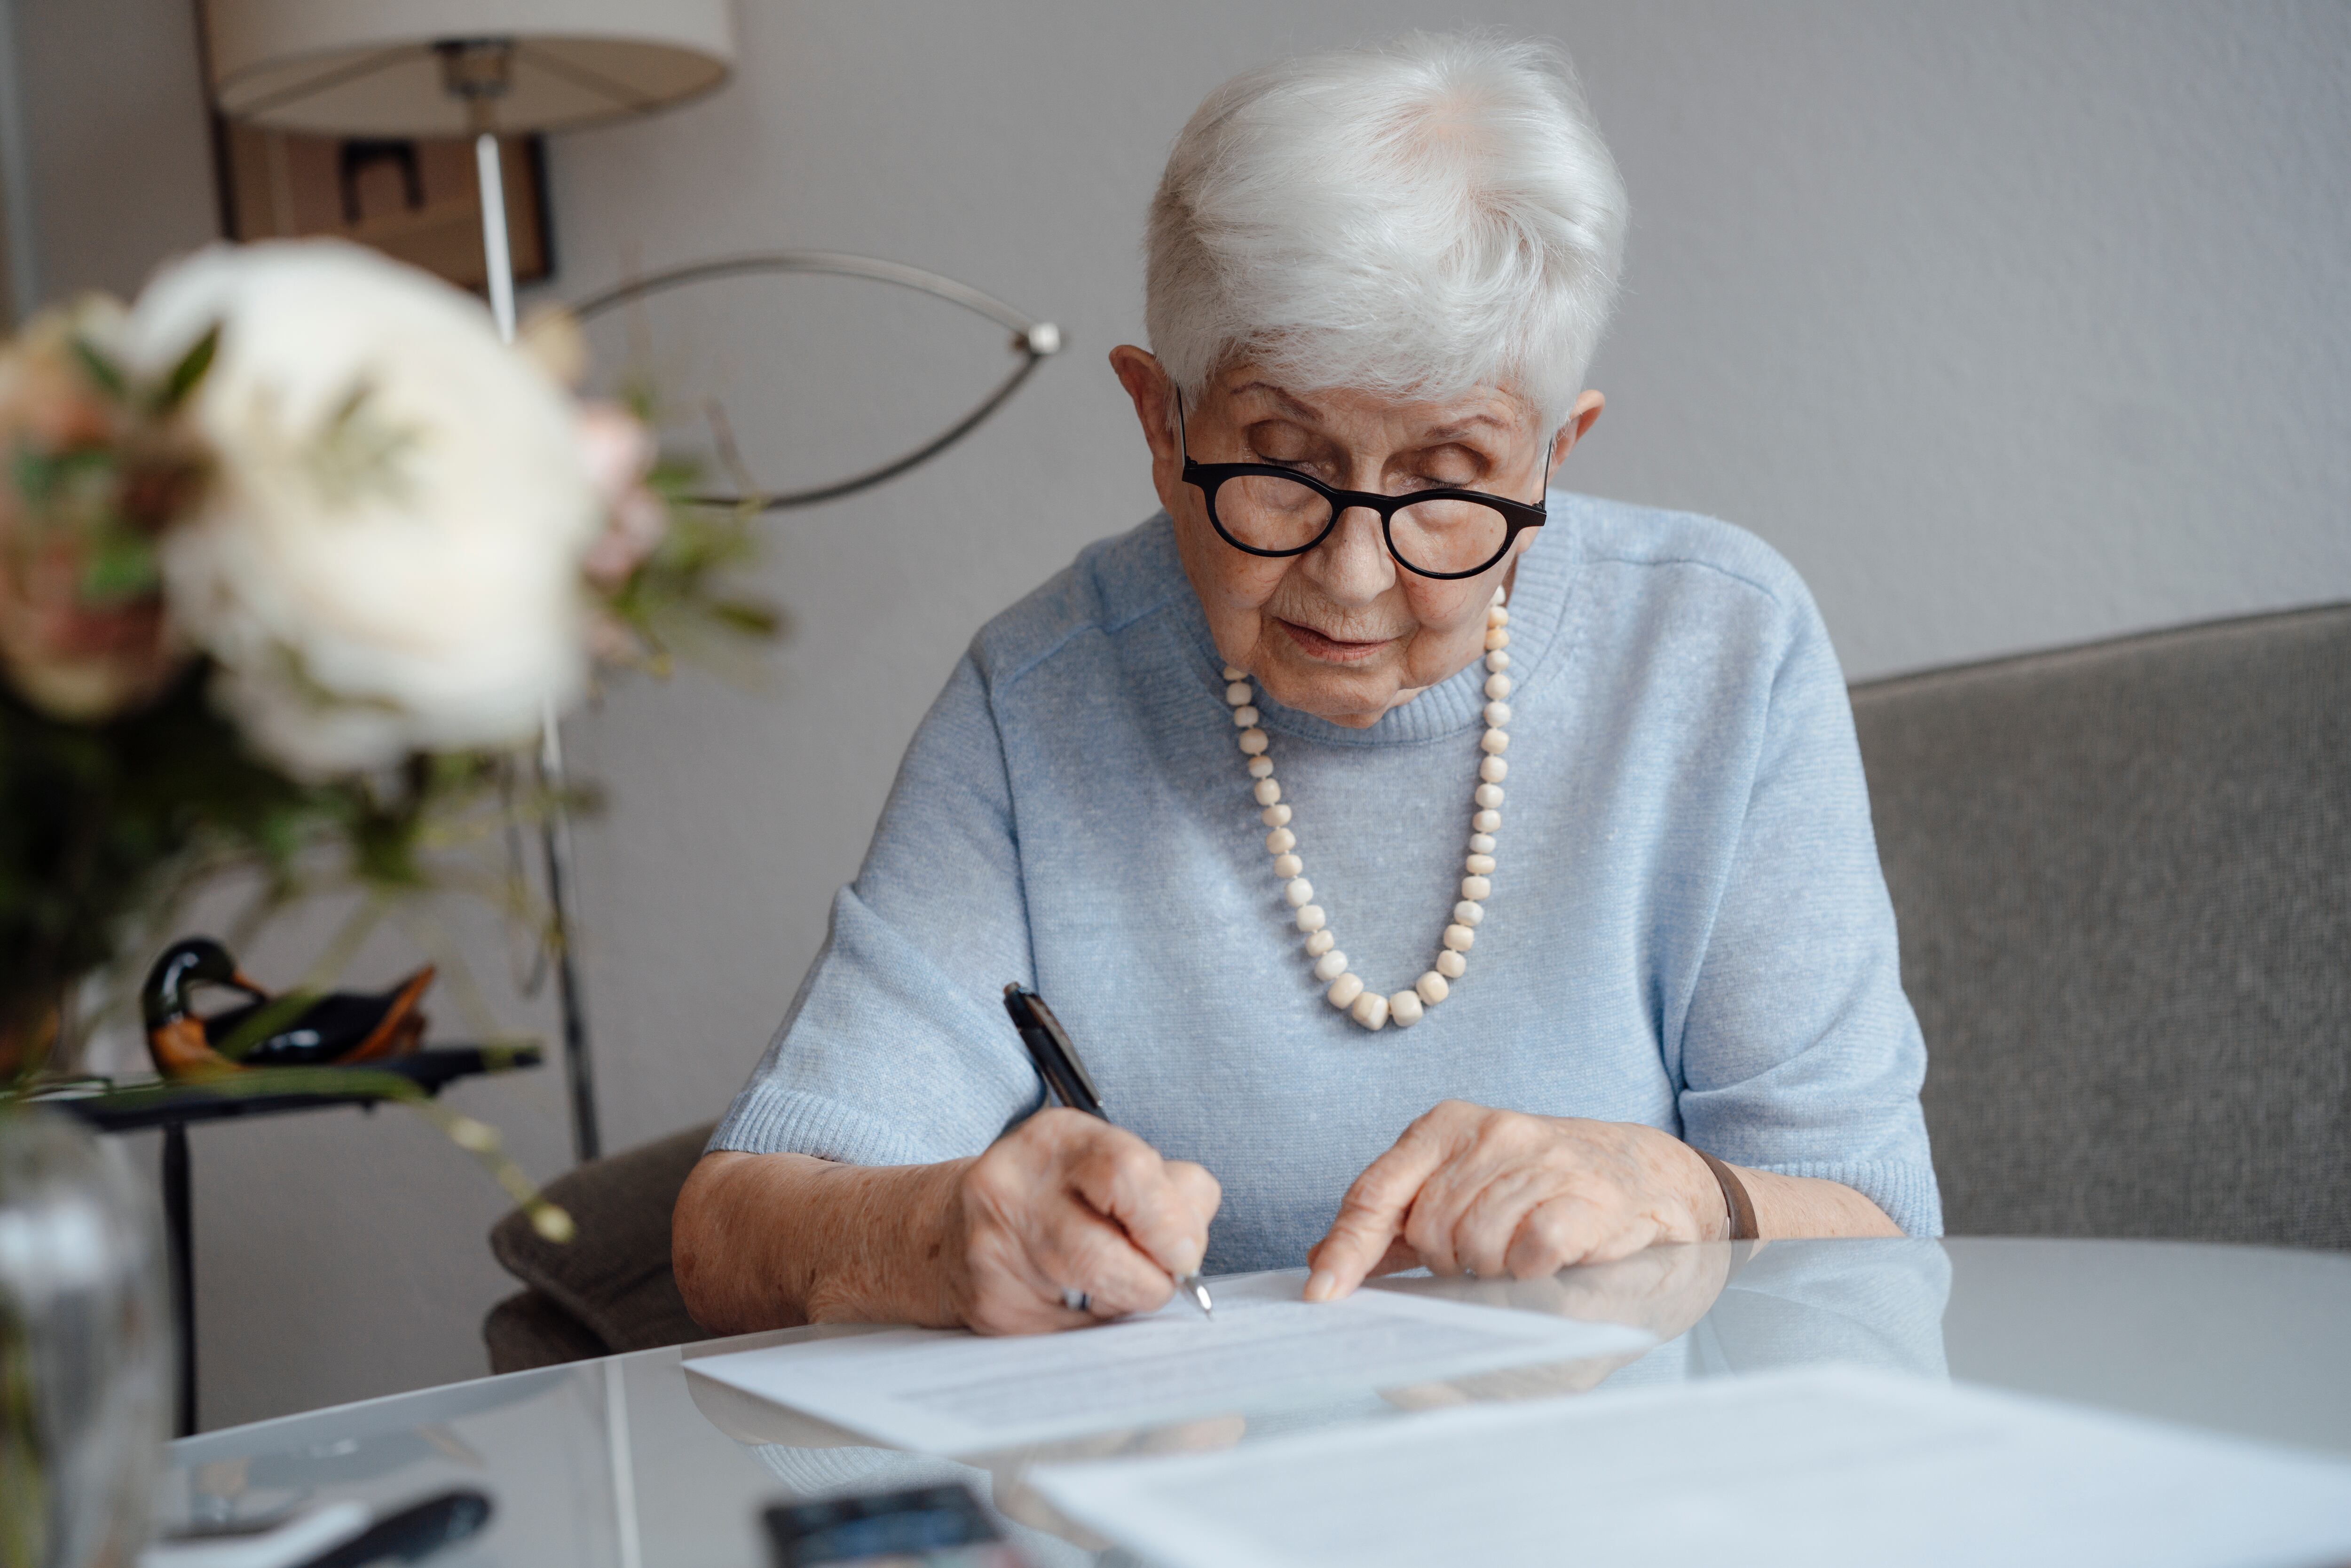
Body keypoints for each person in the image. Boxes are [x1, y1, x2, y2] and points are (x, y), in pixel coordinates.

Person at [673, 32, 1939, 1338]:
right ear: (1162, 429)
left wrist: (1678, 1188)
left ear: (1555, 460)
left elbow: (1886, 1218)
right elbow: (727, 1230)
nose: (1351, 573)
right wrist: (939, 1234)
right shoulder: (1039, 699)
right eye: (1280, 463)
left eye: (1447, 478)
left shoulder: (1718, 648)